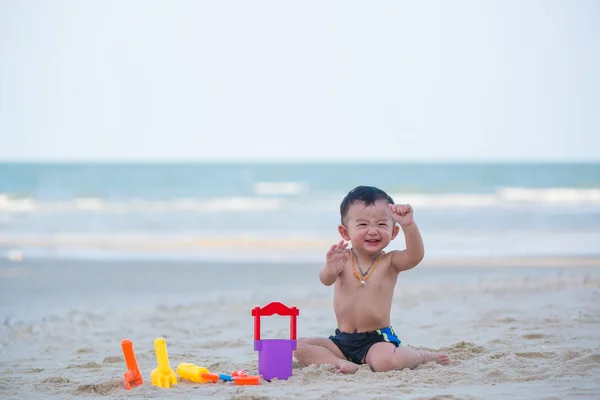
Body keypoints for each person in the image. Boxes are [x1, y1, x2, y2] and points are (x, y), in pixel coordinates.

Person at [294, 186, 451, 374]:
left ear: (393, 233)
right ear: (345, 233)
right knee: (297, 345)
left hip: (375, 340)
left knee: (385, 363)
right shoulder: (342, 258)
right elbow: (326, 280)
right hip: (342, 341)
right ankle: (340, 363)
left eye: (381, 224)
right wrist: (329, 269)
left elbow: (415, 255)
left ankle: (421, 356)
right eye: (362, 225)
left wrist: (409, 226)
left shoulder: (390, 261)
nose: (373, 231)